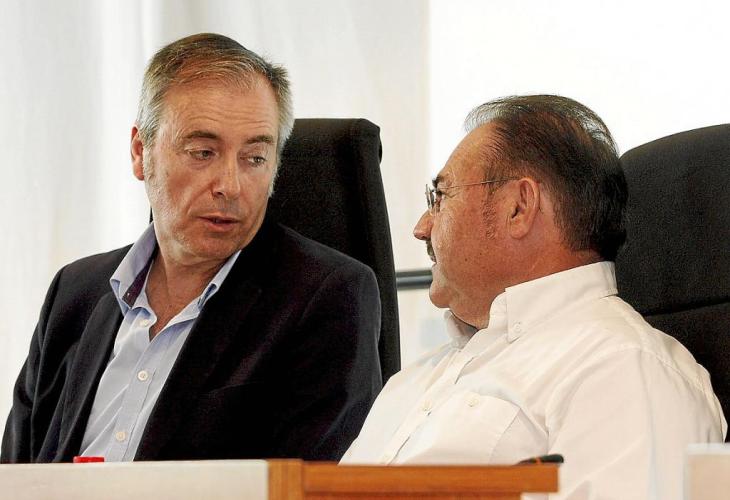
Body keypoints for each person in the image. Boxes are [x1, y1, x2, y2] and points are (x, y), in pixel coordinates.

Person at [2, 33, 382, 463]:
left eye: (255, 158)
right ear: (140, 152)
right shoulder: (75, 292)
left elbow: (304, 483)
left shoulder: (325, 298)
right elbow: (15, 474)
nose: (230, 186)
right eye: (203, 152)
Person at [342, 95, 726, 499]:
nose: (421, 227)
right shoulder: (414, 380)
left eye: (439, 197)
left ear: (519, 207)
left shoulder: (624, 368)